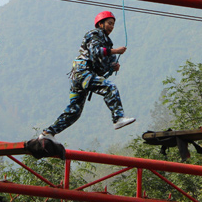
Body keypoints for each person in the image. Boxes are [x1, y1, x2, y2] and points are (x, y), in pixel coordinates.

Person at [41, 10, 135, 142]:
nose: (111, 27)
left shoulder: (107, 43)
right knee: (109, 87)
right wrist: (115, 51)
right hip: (82, 72)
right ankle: (118, 118)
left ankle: (48, 133)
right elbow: (95, 51)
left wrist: (112, 67)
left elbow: (102, 69)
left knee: (75, 111)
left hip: (82, 76)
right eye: (109, 23)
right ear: (100, 24)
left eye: (113, 24)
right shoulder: (94, 34)